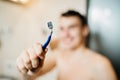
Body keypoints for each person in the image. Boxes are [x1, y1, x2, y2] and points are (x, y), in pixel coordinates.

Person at [16, 10, 117, 80]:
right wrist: (28, 70)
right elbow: (29, 77)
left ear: (85, 30)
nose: (65, 34)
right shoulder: (59, 55)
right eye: (62, 29)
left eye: (72, 27)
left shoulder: (101, 64)